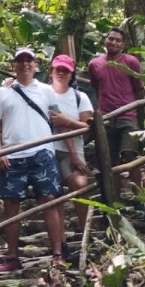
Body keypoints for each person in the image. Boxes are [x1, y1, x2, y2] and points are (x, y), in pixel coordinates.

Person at [0, 48, 83, 273]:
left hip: (42, 152)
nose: (25, 65)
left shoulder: (46, 91)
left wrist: (72, 151)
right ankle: (12, 256)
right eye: (20, 61)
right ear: (14, 65)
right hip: (12, 154)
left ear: (36, 65)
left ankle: (57, 254)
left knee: (49, 200)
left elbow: (57, 118)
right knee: (11, 205)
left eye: (29, 61)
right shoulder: (3, 92)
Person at [48, 54, 95, 237]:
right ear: (51, 71)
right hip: (48, 150)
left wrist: (67, 121)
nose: (61, 73)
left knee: (80, 184)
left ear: (71, 73)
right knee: (54, 194)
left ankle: (86, 232)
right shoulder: (42, 92)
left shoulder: (79, 96)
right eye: (58, 69)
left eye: (65, 70)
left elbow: (87, 126)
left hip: (73, 150)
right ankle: (61, 242)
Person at [88, 27, 145, 165]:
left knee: (130, 155)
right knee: (110, 160)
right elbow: (97, 87)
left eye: (118, 40)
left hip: (128, 117)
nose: (114, 42)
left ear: (123, 45)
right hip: (106, 118)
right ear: (105, 41)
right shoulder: (94, 64)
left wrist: (134, 110)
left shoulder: (131, 62)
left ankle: (136, 187)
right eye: (111, 38)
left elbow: (139, 88)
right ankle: (116, 187)